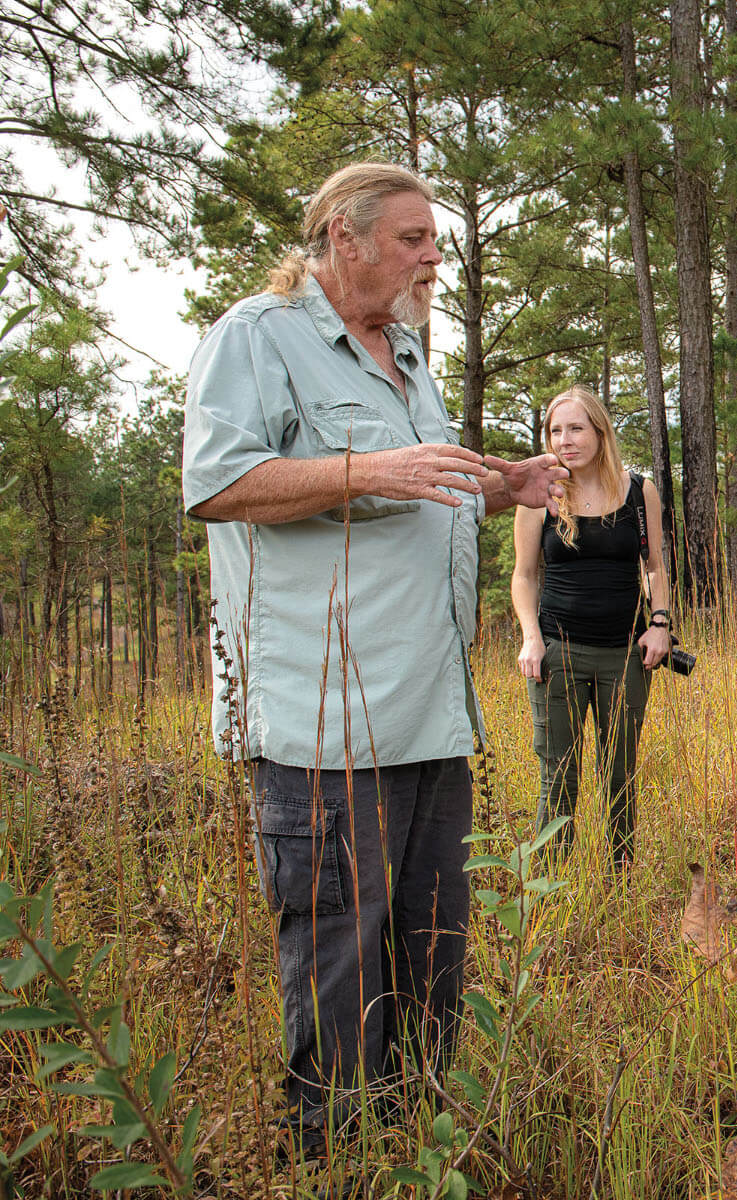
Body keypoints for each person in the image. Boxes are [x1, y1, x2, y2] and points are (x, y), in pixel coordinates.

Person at [182, 162, 566, 1157]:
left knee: (434, 952)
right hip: (326, 725)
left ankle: (421, 1146)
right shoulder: (255, 339)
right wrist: (364, 466)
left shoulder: (405, 353)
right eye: (412, 237)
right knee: (340, 962)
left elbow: (414, 491)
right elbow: (218, 483)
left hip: (429, 713)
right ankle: (338, 1161)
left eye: (433, 238)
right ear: (341, 239)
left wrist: (500, 486)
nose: (433, 255)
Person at [511, 385, 671, 867]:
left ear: (600, 432)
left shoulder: (637, 490)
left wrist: (660, 623)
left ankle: (619, 881)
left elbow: (656, 567)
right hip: (557, 653)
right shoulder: (539, 494)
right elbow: (523, 575)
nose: (565, 440)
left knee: (620, 774)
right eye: (555, 430)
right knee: (558, 776)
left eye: (576, 428)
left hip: (624, 657)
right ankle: (551, 888)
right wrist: (531, 639)